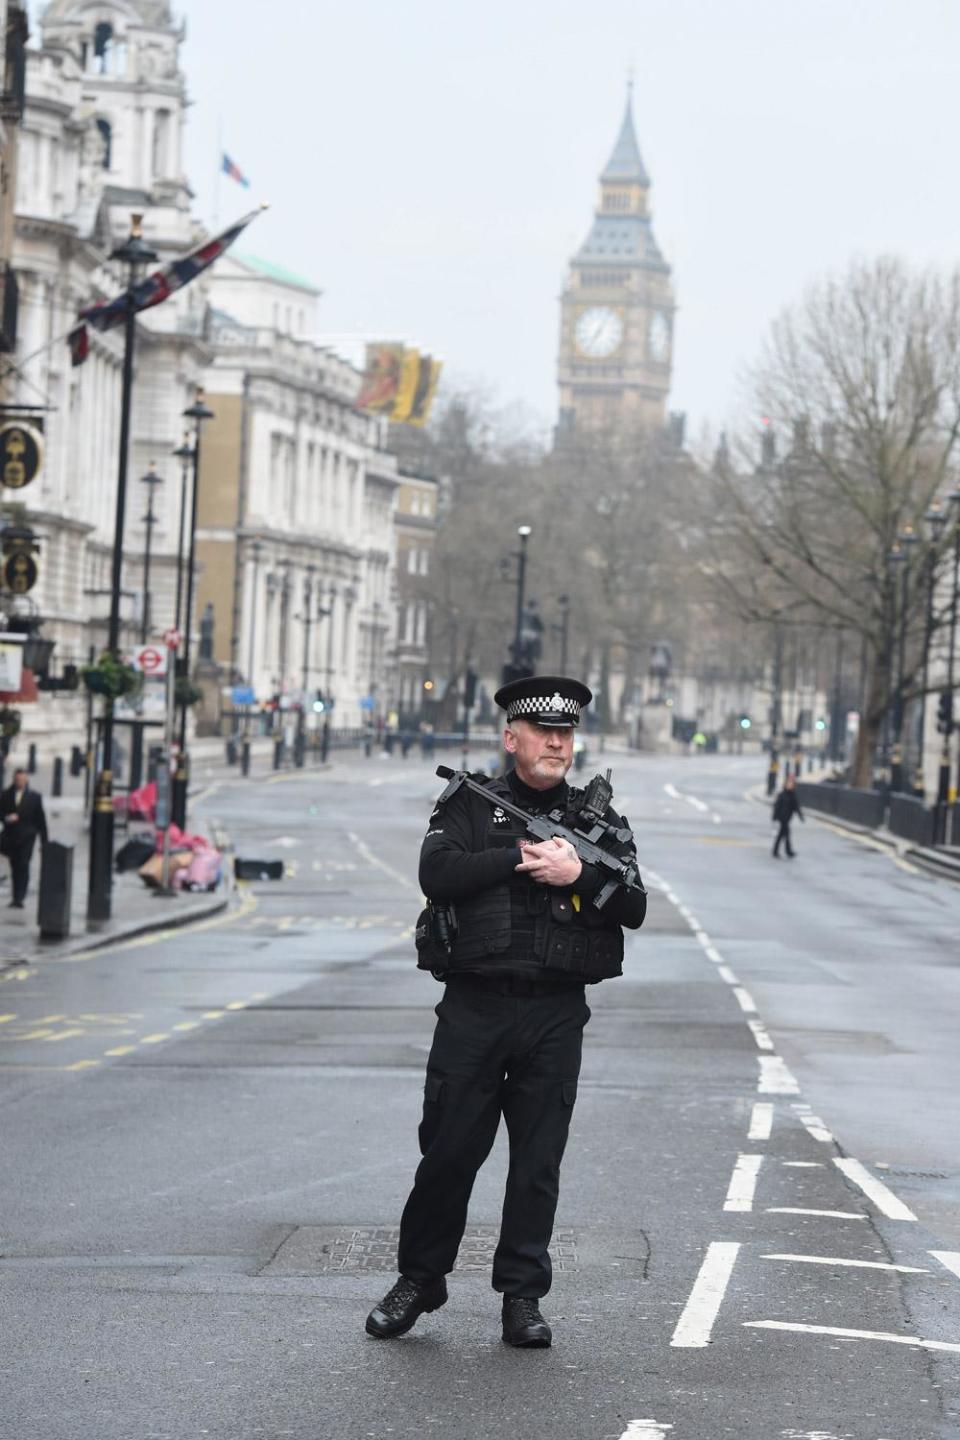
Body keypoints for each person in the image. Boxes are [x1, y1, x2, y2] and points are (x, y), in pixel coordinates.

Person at [365, 675, 646, 1349]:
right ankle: (420, 1279)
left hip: (554, 1013)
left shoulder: (596, 821)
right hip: (475, 1007)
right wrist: (523, 858)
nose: (557, 742)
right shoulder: (468, 803)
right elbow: (438, 874)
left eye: (567, 733)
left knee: (537, 1164)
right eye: (544, 732)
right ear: (511, 737)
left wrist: (579, 874)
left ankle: (522, 1296)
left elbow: (634, 905)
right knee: (447, 1154)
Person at [0, 767, 48, 908]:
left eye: (21, 779)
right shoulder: (6, 795)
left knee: (24, 864)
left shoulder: (34, 797)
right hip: (11, 836)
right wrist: (6, 818)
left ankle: (20, 897)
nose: (19, 782)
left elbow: (41, 820)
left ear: (26, 780)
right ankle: (16, 896)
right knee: (15, 865)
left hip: (27, 837)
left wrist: (44, 841)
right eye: (17, 779)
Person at [772, 774, 804, 858]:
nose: (790, 785)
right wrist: (774, 817)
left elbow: (796, 807)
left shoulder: (793, 796)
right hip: (782, 818)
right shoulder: (781, 795)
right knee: (786, 834)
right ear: (785, 784)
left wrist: (801, 816)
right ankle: (788, 851)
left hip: (788, 818)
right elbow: (776, 806)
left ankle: (776, 851)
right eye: (788, 783)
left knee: (782, 834)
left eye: (791, 784)